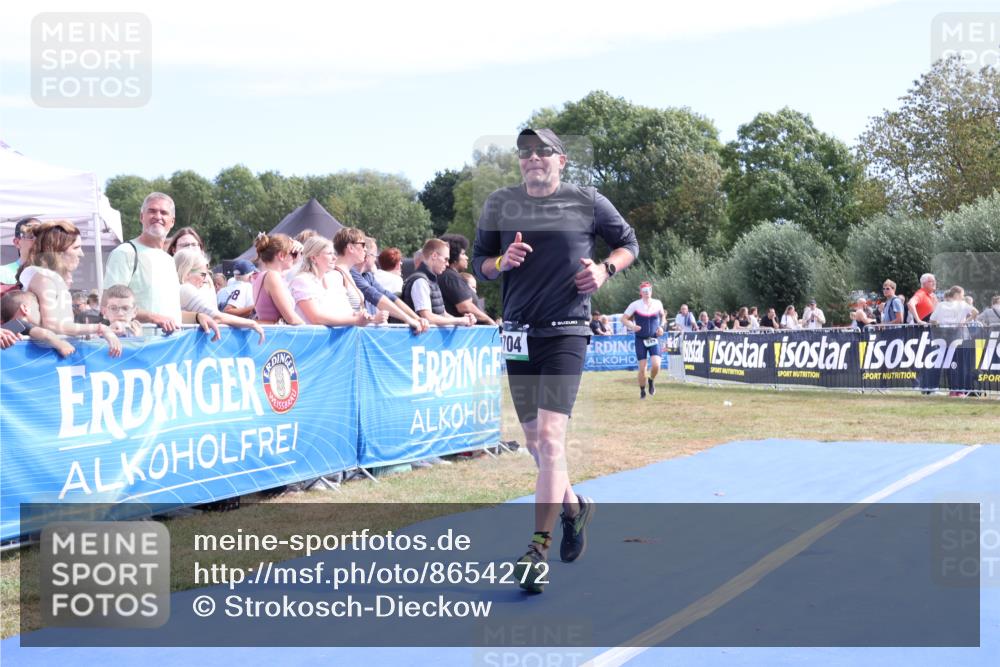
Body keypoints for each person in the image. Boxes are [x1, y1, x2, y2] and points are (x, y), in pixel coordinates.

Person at [472, 128, 638, 593]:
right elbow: (481, 262)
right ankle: (574, 509)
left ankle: (537, 548)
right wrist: (501, 262)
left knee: (549, 438)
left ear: (561, 160)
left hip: (566, 330)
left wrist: (605, 269)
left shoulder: (588, 200)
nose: (533, 157)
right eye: (525, 151)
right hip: (518, 334)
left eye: (543, 150)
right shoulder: (500, 204)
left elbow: (629, 244)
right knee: (535, 443)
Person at [104, 192, 219, 337]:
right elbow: (111, 306)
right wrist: (153, 318)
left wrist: (197, 317)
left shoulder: (169, 260)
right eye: (152, 211)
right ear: (141, 217)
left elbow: (170, 314)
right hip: (138, 346)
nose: (158, 216)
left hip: (170, 346)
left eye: (164, 213)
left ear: (172, 221)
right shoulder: (125, 253)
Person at [16, 220, 121, 356]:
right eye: (76, 248)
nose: (81, 254)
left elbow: (63, 323)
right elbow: (52, 325)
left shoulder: (49, 277)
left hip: (46, 356)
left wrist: (103, 329)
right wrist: (101, 328)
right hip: (39, 358)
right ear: (57, 250)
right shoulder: (44, 278)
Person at [175, 248, 266, 343]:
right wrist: (252, 323)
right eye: (203, 274)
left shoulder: (178, 289)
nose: (205, 279)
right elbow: (218, 317)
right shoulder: (186, 288)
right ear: (187, 273)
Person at [350, 236, 428, 333]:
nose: (375, 260)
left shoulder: (368, 275)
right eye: (375, 255)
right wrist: (409, 319)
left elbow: (389, 296)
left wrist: (416, 318)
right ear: (367, 256)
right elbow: (374, 296)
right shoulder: (352, 274)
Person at [402, 238, 476, 327]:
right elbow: (428, 317)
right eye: (445, 259)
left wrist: (464, 321)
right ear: (434, 256)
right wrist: (460, 320)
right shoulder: (420, 281)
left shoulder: (430, 280)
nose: (447, 264)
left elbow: (441, 313)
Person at [439, 234, 496, 325]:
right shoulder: (450, 277)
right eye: (463, 254)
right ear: (454, 257)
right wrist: (489, 320)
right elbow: (465, 307)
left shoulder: (447, 276)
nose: (467, 257)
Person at [621, 282, 666, 400]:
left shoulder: (657, 303)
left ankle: (651, 380)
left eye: (648, 290)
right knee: (642, 368)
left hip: (654, 338)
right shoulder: (635, 305)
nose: (647, 293)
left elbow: (663, 316)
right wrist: (632, 326)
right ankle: (642, 390)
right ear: (640, 292)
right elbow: (623, 319)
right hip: (640, 339)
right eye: (644, 291)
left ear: (651, 291)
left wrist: (662, 327)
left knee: (656, 365)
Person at [250, 232, 304, 325]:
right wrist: (310, 329)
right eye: (293, 254)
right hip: (277, 333)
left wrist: (299, 250)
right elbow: (292, 319)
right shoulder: (272, 276)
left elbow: (296, 264)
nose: (294, 258)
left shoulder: (264, 276)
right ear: (281, 255)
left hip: (272, 332)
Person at [1, 290, 76, 357]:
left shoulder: (6, 328)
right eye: (38, 309)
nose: (41, 314)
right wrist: (61, 344)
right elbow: (44, 334)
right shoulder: (18, 324)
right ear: (25, 309)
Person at [1, 218, 38, 295]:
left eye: (41, 237)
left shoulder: (52, 273)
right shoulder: (3, 272)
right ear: (17, 242)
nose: (37, 241)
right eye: (31, 236)